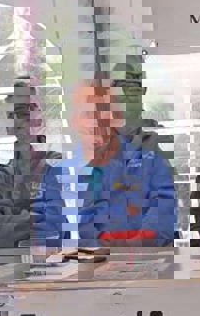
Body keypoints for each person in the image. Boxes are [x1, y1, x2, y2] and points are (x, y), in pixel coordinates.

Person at [72, 78, 177, 248]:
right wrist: (100, 241)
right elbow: (84, 215)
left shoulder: (155, 153)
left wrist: (138, 242)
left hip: (150, 253)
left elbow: (164, 206)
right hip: (106, 254)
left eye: (133, 97)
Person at [0, 77, 68, 250]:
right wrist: (33, 218)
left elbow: (57, 229)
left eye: (25, 111)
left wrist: (14, 220)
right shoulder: (5, 176)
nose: (19, 120)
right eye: (13, 114)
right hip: (15, 264)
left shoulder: (59, 166)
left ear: (40, 118)